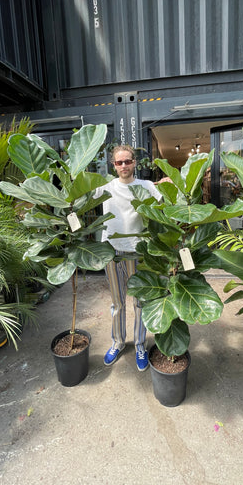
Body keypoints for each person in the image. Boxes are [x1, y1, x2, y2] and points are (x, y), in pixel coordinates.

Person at [94, 144, 161, 371]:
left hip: (137, 250)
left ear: (135, 163)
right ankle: (118, 342)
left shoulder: (146, 186)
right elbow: (81, 194)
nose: (124, 166)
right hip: (111, 251)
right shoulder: (105, 187)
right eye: (119, 162)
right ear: (113, 165)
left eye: (128, 161)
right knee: (117, 302)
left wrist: (169, 184)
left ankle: (140, 343)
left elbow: (165, 201)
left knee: (139, 301)